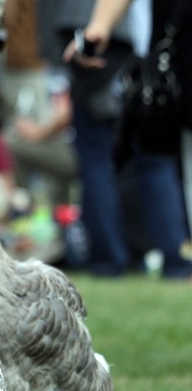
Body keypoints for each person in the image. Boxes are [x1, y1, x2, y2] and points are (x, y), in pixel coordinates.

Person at [62, 0, 192, 279]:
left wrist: (99, 25)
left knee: (102, 156)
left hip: (129, 52)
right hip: (158, 51)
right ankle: (176, 260)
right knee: (156, 157)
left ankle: (109, 261)